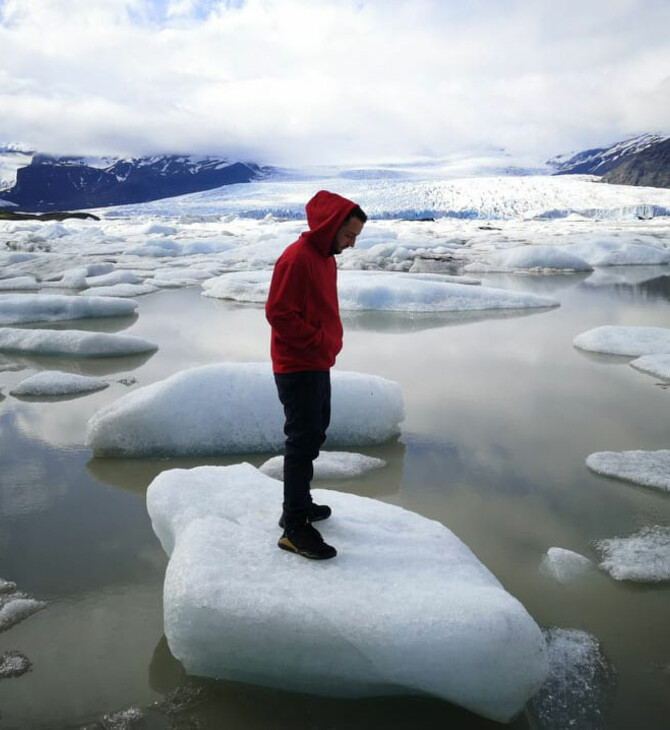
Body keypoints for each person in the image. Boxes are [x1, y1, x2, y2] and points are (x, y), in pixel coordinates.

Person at [265, 190, 367, 560]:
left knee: (314, 433)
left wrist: (326, 344)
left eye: (355, 237)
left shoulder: (325, 258)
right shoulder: (297, 259)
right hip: (297, 365)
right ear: (330, 226)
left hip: (317, 361)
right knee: (301, 440)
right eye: (348, 235)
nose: (351, 244)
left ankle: (300, 503)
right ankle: (293, 527)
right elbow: (279, 314)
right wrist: (318, 340)